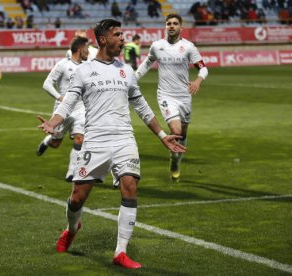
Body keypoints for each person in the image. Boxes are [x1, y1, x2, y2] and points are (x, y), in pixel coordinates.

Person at [37, 18, 185, 269]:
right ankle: (72, 228)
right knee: (76, 199)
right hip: (95, 140)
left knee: (130, 186)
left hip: (124, 139)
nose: (123, 38)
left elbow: (142, 106)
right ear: (103, 39)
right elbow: (68, 102)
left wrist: (162, 136)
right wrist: (53, 122)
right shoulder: (84, 70)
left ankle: (120, 251)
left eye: (123, 34)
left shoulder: (126, 70)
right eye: (118, 34)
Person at [135, 13, 208, 182]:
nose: (172, 26)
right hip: (166, 95)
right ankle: (174, 159)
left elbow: (203, 68)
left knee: (182, 134)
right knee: (175, 131)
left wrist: (198, 81)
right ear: (165, 26)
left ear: (181, 27)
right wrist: (133, 77)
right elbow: (147, 63)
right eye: (169, 23)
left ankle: (176, 161)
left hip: (184, 96)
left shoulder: (189, 47)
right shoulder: (157, 46)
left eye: (175, 23)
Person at [36, 37, 90, 182]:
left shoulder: (87, 66)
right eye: (86, 48)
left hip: (80, 109)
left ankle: (71, 172)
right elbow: (47, 84)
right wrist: (60, 97)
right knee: (56, 143)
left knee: (80, 139)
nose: (88, 51)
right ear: (79, 50)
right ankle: (47, 141)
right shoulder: (63, 65)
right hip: (63, 109)